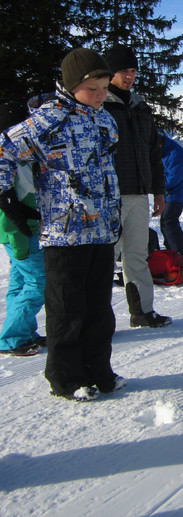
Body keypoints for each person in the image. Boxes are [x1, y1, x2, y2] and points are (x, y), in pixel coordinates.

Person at [0, 49, 125, 400]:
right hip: (63, 233)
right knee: (67, 310)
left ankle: (99, 371)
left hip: (101, 228)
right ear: (71, 87)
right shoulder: (49, 117)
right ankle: (66, 378)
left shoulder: (105, 119)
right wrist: (5, 195)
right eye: (92, 88)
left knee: (99, 311)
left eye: (104, 87)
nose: (101, 95)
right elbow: (4, 150)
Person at [103, 44, 172, 329]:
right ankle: (98, 319)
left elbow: (153, 152)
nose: (129, 76)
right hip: (107, 195)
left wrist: (158, 190)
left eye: (132, 71)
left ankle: (142, 311)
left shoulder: (140, 108)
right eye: (123, 71)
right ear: (109, 73)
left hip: (137, 194)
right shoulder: (100, 106)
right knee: (103, 259)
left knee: (136, 255)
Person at [0, 101, 46, 357]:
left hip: (21, 232)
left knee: (19, 282)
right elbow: (7, 211)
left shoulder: (21, 160)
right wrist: (17, 240)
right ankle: (12, 337)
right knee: (39, 281)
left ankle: (23, 332)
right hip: (20, 234)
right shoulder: (8, 162)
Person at [159, 134, 183, 262]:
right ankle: (172, 250)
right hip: (170, 193)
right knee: (166, 222)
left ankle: (179, 253)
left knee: (169, 222)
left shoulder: (173, 152)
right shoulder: (166, 150)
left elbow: (174, 178)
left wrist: (158, 186)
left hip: (175, 194)